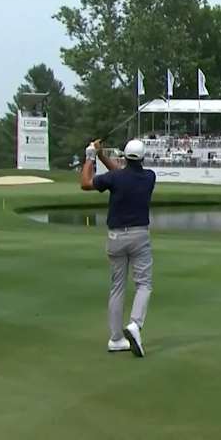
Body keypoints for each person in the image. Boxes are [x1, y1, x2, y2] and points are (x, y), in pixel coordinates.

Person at [80, 138, 157, 357]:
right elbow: (122, 175)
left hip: (115, 237)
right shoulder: (149, 177)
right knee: (144, 284)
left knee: (117, 288)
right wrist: (102, 155)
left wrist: (91, 156)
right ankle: (135, 324)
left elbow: (85, 183)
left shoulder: (116, 178)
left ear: (124, 156)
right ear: (142, 157)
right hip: (140, 235)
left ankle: (116, 339)